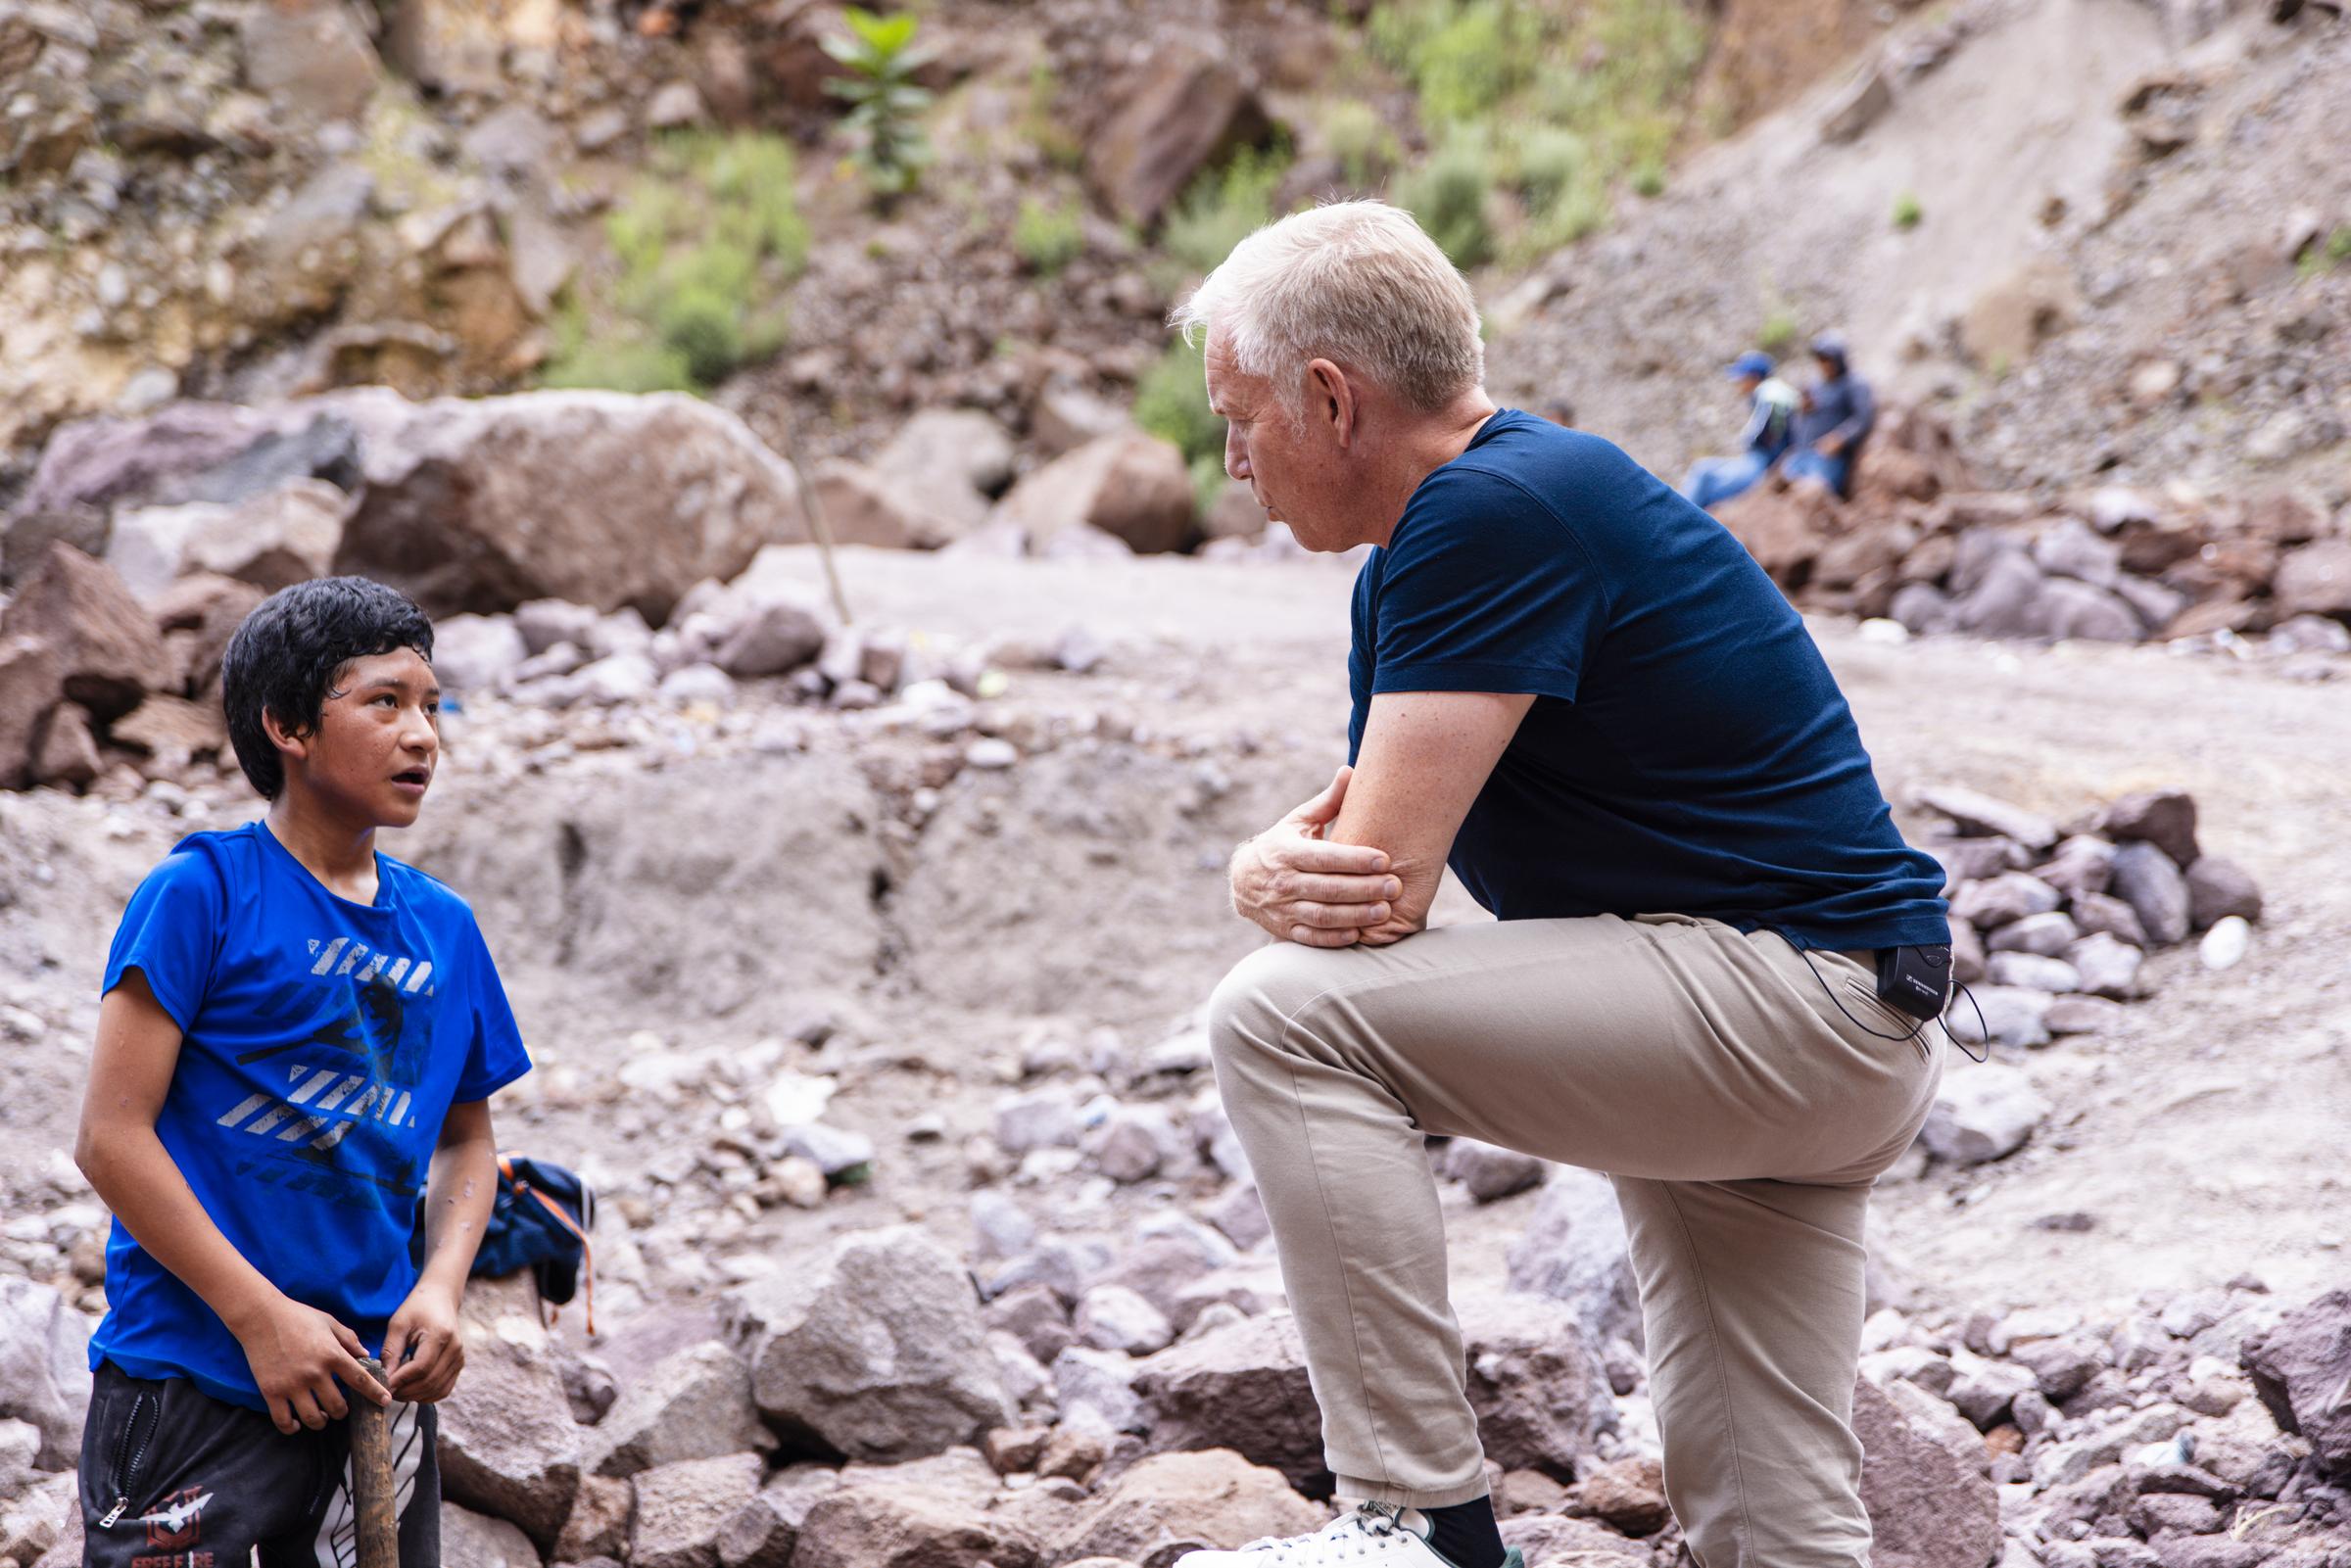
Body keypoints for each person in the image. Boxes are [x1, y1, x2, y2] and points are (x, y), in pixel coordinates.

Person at [1171, 201, 1949, 1568]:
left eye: (1241, 417)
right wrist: (1279, 871)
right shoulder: (1480, 520)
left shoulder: (1489, 513)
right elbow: (1362, 856)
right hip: (1822, 1017)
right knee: (1772, 1523)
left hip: (1777, 998)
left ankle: (1418, 1522)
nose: (1234, 460)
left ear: (1332, 399)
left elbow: (1369, 893)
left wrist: (1260, 876)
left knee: (1280, 1018)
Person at [73, 577, 531, 1565]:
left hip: (370, 1391)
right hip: (193, 1379)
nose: (423, 735)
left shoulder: (445, 929)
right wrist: (261, 1318)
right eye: (384, 702)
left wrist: (441, 1288)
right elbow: (110, 1137)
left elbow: (466, 1139)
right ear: (287, 725)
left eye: (431, 705)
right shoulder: (202, 893)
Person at [1679, 349, 1799, 511]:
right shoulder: (1772, 391)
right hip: (1763, 461)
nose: (1737, 382)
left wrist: (1751, 439)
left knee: (1704, 474)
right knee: (1704, 471)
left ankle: (1679, 516)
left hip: (1761, 464)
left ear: (1754, 377)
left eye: (1741, 378)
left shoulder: (1768, 390)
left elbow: (1765, 430)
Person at [1781, 331, 1875, 498]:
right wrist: (1803, 410)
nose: (1823, 365)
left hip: (1829, 458)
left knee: (1813, 489)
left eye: (1827, 360)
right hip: (1804, 453)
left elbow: (1863, 418)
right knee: (1784, 482)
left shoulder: (1854, 384)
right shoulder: (1816, 385)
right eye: (1819, 360)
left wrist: (1841, 437)